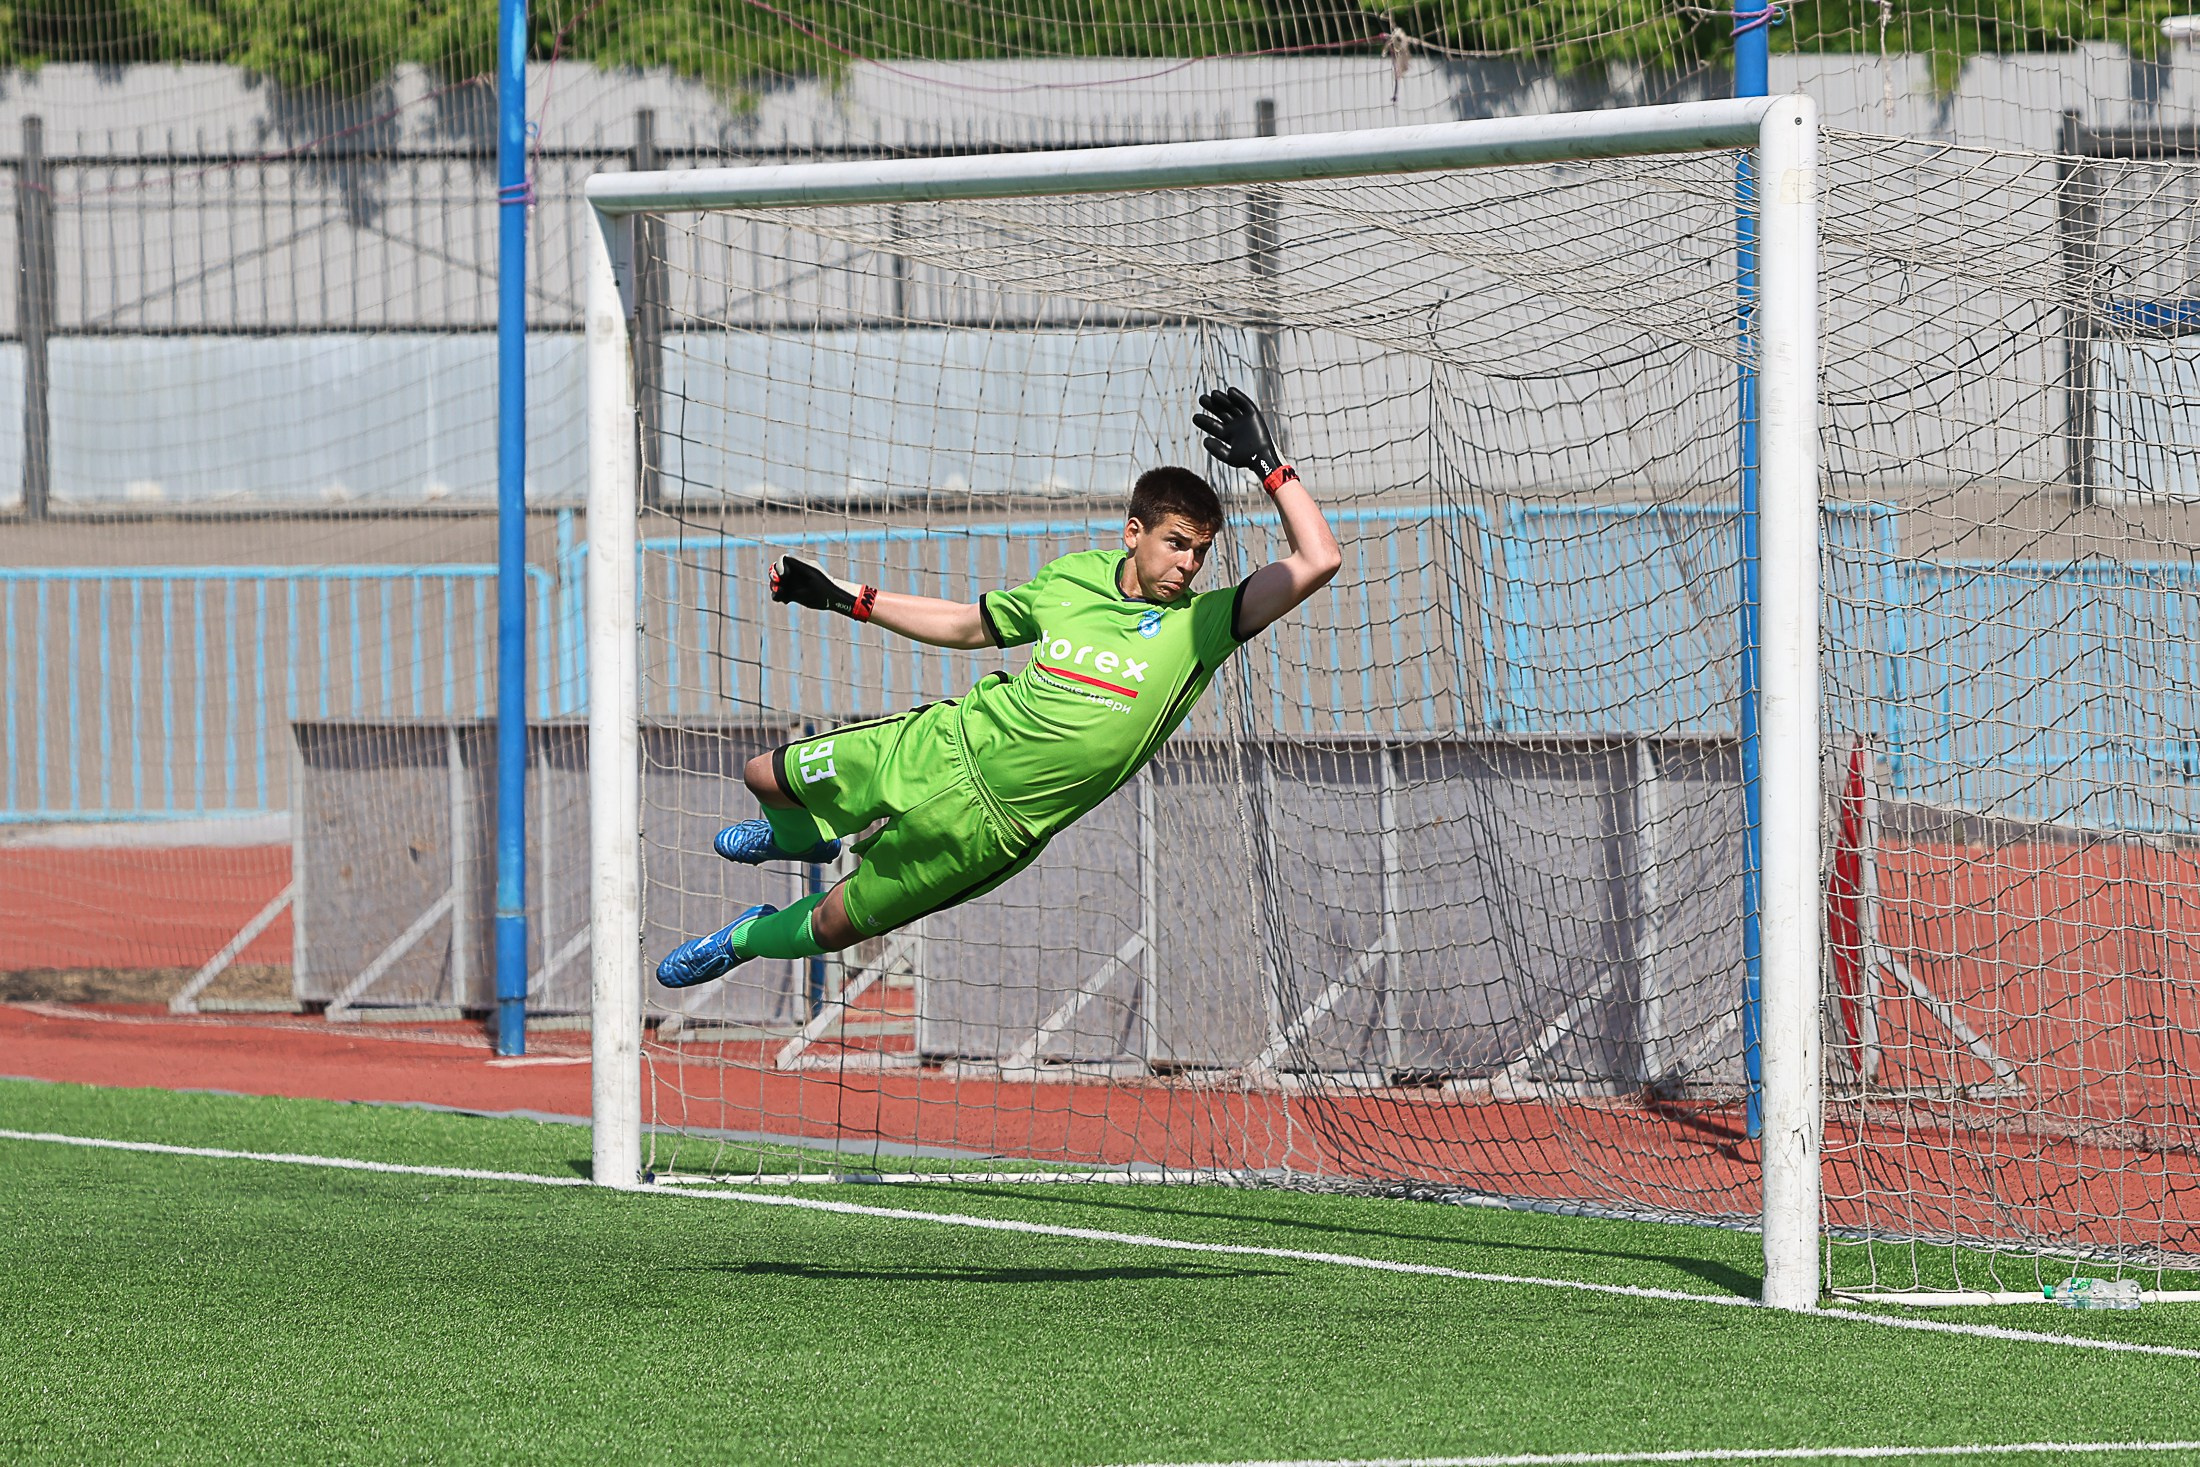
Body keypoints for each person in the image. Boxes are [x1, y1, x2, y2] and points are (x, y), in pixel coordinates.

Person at [656, 386, 1342, 988]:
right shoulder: (1071, 578)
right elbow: (964, 625)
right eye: (1175, 543)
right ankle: (806, 835)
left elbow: (1319, 558)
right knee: (763, 775)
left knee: (836, 923)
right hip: (947, 745)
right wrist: (845, 597)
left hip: (991, 828)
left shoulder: (1204, 625)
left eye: (1199, 551)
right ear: (1134, 532)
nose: (1188, 564)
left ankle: (739, 939)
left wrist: (1268, 464)